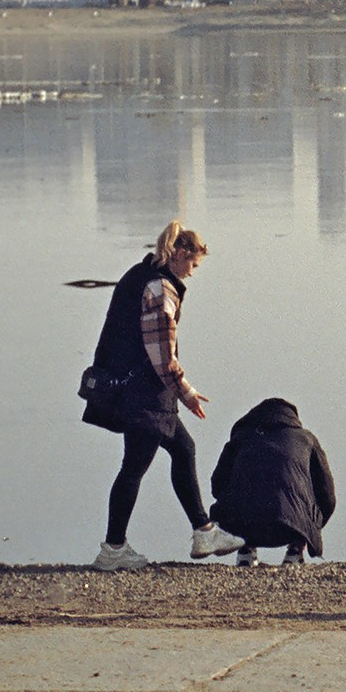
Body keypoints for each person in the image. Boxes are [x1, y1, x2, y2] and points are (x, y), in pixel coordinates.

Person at [79, 221, 242, 570]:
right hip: (144, 395)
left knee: (180, 451)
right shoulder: (159, 289)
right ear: (180, 254)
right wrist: (186, 392)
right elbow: (162, 355)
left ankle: (201, 532)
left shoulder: (138, 275)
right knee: (137, 467)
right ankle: (114, 549)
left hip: (131, 388)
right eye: (193, 265)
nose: (193, 274)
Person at [211, 398, 338, 568]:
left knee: (235, 496)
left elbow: (217, 484)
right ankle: (296, 548)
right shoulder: (307, 439)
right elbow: (327, 494)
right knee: (304, 499)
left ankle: (245, 548)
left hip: (243, 524)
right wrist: (312, 528)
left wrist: (233, 508)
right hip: (291, 527)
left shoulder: (242, 437)